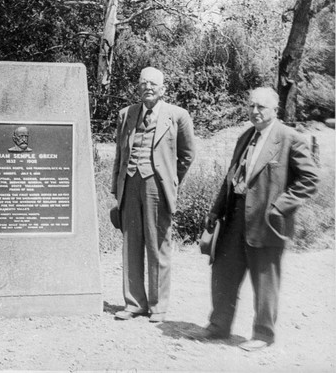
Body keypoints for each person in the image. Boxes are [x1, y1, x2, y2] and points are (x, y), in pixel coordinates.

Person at [198, 87, 319, 351]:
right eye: (251, 106)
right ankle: (218, 326)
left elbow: (310, 179)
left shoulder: (290, 138)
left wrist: (279, 206)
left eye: (261, 107)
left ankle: (263, 335)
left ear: (275, 110)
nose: (254, 112)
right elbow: (230, 177)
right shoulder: (245, 137)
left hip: (268, 220)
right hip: (235, 217)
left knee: (265, 279)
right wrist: (216, 209)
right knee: (224, 272)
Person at [111, 67, 196, 323]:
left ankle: (158, 307)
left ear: (163, 89)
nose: (148, 87)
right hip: (130, 184)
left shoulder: (178, 116)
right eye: (143, 83)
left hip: (156, 188)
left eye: (153, 84)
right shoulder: (126, 114)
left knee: (158, 246)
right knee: (131, 246)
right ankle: (134, 303)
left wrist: (170, 181)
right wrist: (117, 188)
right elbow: (119, 154)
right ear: (138, 87)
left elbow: (187, 155)